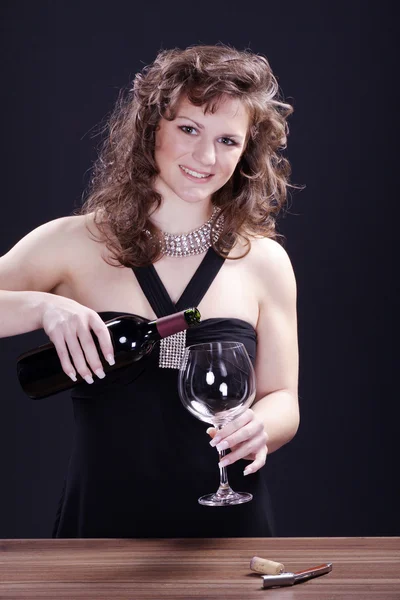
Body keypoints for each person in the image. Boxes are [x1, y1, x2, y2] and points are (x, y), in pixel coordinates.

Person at [0, 44, 300, 538]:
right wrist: (42, 307)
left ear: (248, 150)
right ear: (150, 127)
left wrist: (263, 425)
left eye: (228, 140)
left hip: (228, 527)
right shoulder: (73, 242)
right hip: (100, 530)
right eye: (188, 129)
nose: (206, 157)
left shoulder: (265, 261)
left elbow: (283, 396)